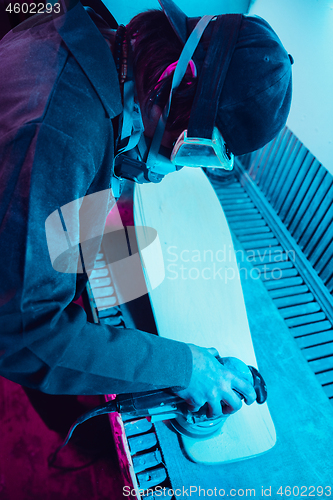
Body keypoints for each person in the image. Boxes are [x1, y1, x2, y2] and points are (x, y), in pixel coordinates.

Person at [0, 0, 292, 420]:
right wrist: (184, 367)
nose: (171, 172)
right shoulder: (64, 136)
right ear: (174, 77)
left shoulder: (94, 34)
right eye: (190, 150)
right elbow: (23, 334)